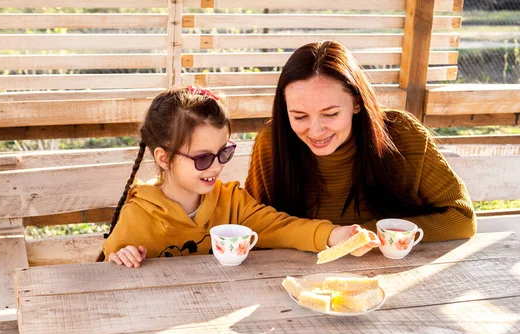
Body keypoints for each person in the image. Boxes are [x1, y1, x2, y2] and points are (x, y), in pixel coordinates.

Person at [99, 85, 379, 267]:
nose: (216, 167)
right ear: (164, 158)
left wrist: (335, 235)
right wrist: (119, 258)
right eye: (203, 158)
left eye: (224, 153)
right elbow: (105, 270)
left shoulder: (232, 202)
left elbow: (281, 227)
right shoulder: (137, 216)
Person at [245, 41, 477, 242]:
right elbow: (251, 225)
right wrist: (327, 236)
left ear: (357, 102)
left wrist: (358, 237)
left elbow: (462, 218)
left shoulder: (403, 134)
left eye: (331, 114)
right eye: (299, 116)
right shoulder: (272, 142)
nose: (315, 130)